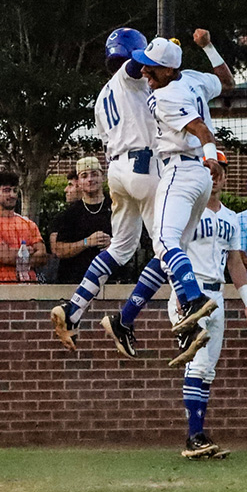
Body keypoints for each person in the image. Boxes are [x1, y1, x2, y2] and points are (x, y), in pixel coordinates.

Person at [101, 30, 234, 364]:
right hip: (199, 180)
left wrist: (212, 157)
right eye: (144, 65)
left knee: (163, 242)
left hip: (181, 170)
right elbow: (227, 81)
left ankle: (192, 300)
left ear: (168, 70)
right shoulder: (194, 79)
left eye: (152, 68)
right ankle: (127, 319)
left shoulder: (166, 96)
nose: (145, 71)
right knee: (167, 255)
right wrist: (208, 46)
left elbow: (202, 129)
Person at [50, 28, 161, 350]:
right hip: (143, 164)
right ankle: (130, 318)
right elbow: (131, 65)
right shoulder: (130, 75)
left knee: (121, 249)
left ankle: (74, 308)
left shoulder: (101, 97)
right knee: (169, 248)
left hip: (117, 170)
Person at [170, 151, 247, 459]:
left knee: (208, 372)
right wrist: (181, 294)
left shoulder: (230, 217)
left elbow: (234, 262)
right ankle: (194, 436)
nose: (215, 176)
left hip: (217, 296)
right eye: (210, 169)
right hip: (190, 293)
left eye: (220, 170)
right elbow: (168, 255)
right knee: (198, 364)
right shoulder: (184, 213)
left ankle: (199, 435)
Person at [49, 157, 113, 284]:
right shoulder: (69, 214)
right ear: (79, 182)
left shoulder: (117, 207)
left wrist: (115, 244)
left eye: (95, 174)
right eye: (84, 176)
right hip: (75, 281)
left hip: (113, 280)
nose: (90, 179)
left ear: (103, 177)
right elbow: (59, 250)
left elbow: (135, 242)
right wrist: (86, 242)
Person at [0, 171, 47, 282]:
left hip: (32, 288)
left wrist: (18, 255)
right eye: (7, 191)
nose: (12, 195)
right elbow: (5, 257)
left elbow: (42, 256)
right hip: (3, 289)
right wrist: (29, 251)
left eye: (14, 190)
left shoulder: (28, 223)